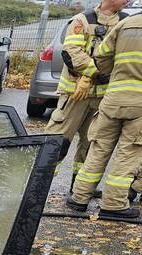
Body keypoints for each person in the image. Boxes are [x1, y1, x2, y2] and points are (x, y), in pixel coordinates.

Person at [68, 4, 142, 219]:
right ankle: (114, 205)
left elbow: (101, 57)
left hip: (113, 98)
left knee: (98, 149)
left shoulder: (126, 23)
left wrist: (116, 75)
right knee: (129, 154)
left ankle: (79, 198)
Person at [45, 0, 130, 190]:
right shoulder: (83, 20)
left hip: (103, 98)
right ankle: (38, 184)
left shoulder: (125, 21)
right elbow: (72, 52)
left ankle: (80, 189)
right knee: (57, 140)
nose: (129, 1)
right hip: (75, 94)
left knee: (91, 144)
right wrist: (96, 73)